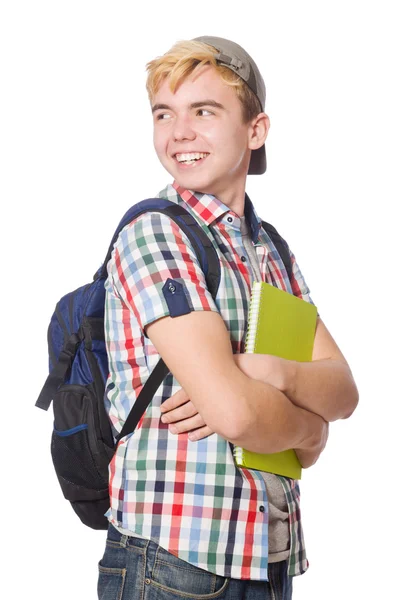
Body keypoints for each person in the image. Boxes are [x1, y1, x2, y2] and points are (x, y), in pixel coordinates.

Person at [98, 36, 359, 600]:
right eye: (163, 114)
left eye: (204, 111)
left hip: (269, 558)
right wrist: (309, 430)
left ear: (256, 130)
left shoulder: (270, 249)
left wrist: (270, 371)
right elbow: (236, 414)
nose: (179, 133)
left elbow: (342, 391)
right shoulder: (156, 232)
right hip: (174, 562)